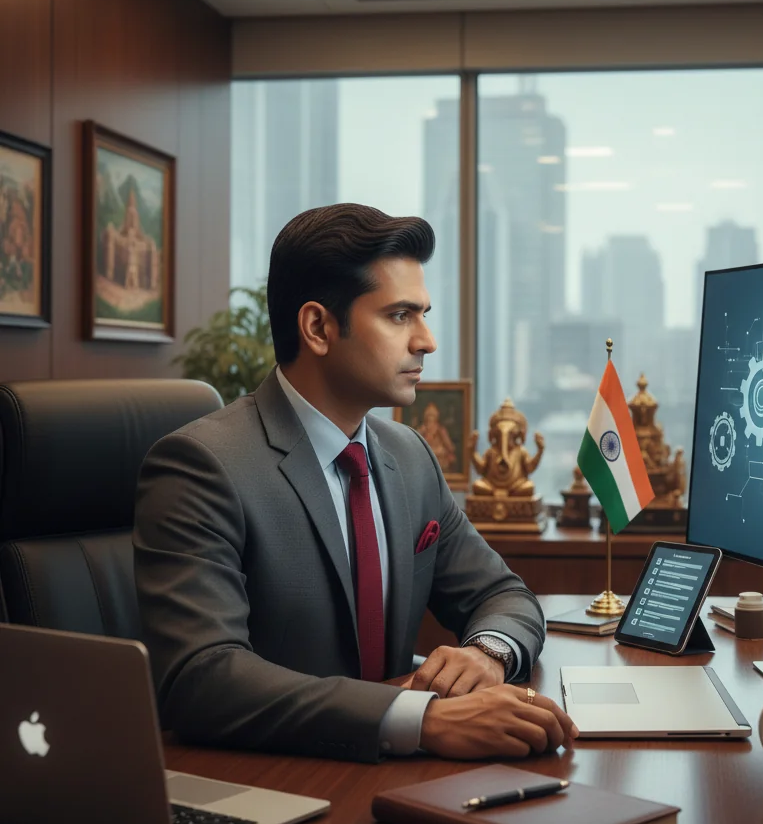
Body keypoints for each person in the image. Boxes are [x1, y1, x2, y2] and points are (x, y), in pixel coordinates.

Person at [134, 203, 576, 764]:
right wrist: (425, 720)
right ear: (318, 327)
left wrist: (487, 651)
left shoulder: (409, 455)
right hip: (277, 781)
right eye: (400, 316)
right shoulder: (200, 466)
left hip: (389, 784)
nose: (427, 341)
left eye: (424, 314)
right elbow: (204, 678)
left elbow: (503, 595)